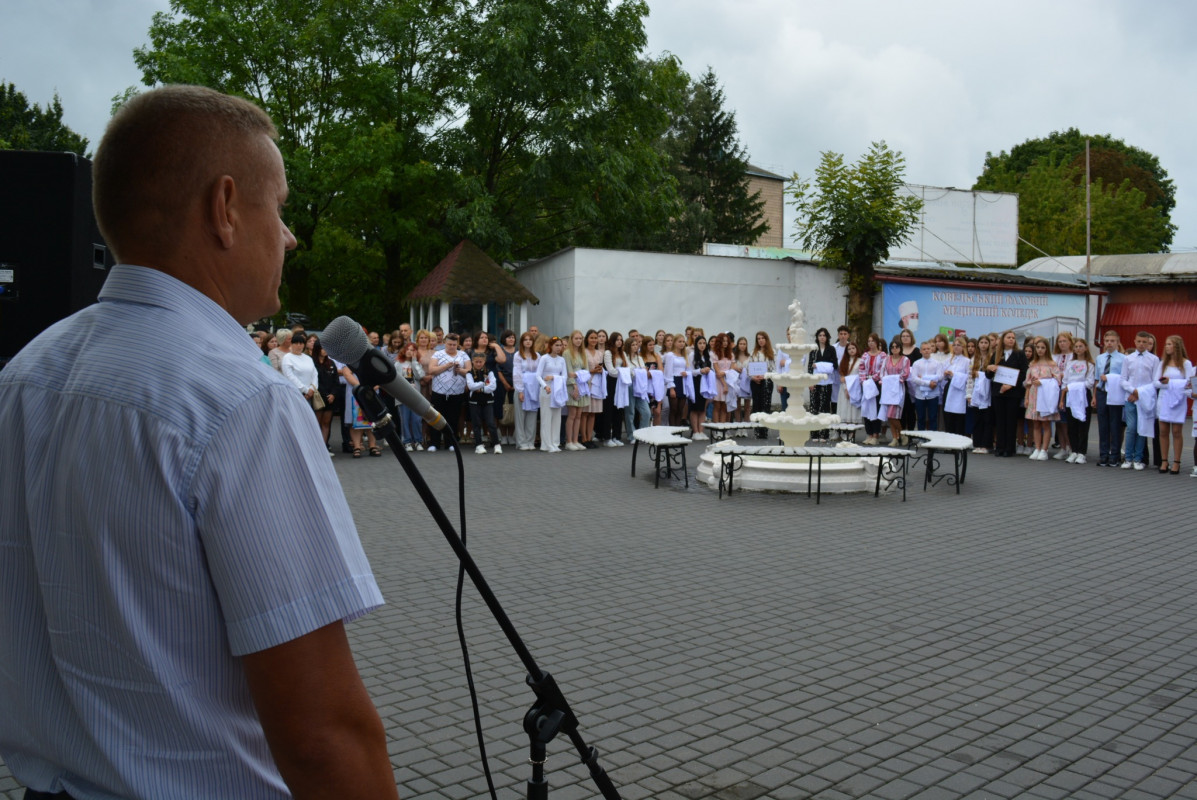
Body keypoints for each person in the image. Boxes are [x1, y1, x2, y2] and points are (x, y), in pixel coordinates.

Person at [0, 85, 396, 799]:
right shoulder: (240, 398)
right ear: (223, 209)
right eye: (276, 207)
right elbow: (320, 734)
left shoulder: (23, 376)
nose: (289, 235)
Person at [1120, 331, 1161, 471]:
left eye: (1145, 342)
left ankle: (1138, 458)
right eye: (1139, 341)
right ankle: (1128, 458)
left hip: (1145, 399)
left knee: (1142, 428)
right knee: (1131, 428)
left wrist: (1139, 393)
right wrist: (1133, 391)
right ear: (1135, 341)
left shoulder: (1154, 359)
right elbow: (1123, 380)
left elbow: (1155, 381)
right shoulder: (1128, 359)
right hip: (1130, 398)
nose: (1142, 344)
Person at [987, 330, 1028, 457]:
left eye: (1013, 338)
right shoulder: (997, 354)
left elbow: (1023, 373)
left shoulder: (1019, 354)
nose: (1011, 339)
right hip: (998, 392)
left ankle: (1009, 448)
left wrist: (1011, 385)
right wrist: (989, 368)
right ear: (1003, 339)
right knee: (1000, 420)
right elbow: (989, 375)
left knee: (1011, 420)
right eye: (1008, 337)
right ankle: (1000, 447)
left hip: (1013, 392)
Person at [1155, 335, 1192, 474]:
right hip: (1164, 398)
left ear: (1177, 346)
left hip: (1178, 400)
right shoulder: (1163, 363)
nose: (1166, 347)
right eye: (1166, 344)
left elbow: (1188, 384)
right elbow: (1156, 382)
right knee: (1163, 431)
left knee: (1176, 432)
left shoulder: (1186, 363)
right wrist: (1166, 383)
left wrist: (1170, 382)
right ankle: (1164, 461)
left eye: (1169, 344)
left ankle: (1177, 461)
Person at [427, 332, 470, 452]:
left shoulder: (463, 355)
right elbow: (431, 370)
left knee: (453, 418)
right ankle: (434, 443)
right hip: (439, 392)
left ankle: (450, 442)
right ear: (445, 343)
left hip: (457, 392)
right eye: (450, 344)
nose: (452, 347)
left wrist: (459, 369)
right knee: (436, 417)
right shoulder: (438, 354)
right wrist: (446, 366)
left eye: (454, 344)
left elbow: (469, 371)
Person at [1023, 337, 1061, 461]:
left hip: (1046, 396)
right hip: (1034, 395)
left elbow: (1058, 381)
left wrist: (1043, 382)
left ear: (1047, 349)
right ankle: (1037, 448)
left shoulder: (1052, 364)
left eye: (1042, 348)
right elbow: (1027, 381)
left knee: (1045, 423)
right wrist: (1027, 396)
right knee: (1035, 423)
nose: (1040, 350)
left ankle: (1045, 449)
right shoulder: (1032, 364)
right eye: (1038, 348)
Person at [1060, 336, 1096, 465]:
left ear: (1086, 348)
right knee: (1071, 425)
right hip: (1070, 396)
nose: (1078, 348)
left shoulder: (1090, 364)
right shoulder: (1070, 364)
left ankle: (1082, 452)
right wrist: (1062, 399)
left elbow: (1089, 382)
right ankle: (1074, 450)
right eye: (1076, 347)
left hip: (1083, 395)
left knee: (1083, 425)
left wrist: (1074, 386)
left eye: (1081, 346)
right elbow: (1065, 382)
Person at [1094, 330, 1126, 467]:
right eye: (1107, 341)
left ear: (1118, 342)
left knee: (1115, 425)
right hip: (1102, 392)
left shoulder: (1123, 359)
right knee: (1103, 425)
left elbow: (1124, 378)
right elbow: (1096, 379)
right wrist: (1094, 396)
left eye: (1112, 341)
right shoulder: (1100, 358)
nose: (1109, 343)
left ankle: (1115, 455)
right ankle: (1103, 454)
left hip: (1116, 393)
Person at [466, 351, 502, 454]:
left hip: (488, 400)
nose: (478, 364)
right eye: (476, 362)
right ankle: (479, 445)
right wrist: (483, 383)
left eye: (480, 362)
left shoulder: (489, 372)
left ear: (484, 361)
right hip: (474, 401)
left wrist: (481, 389)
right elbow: (471, 386)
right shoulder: (469, 373)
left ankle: (496, 444)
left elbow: (493, 387)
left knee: (491, 423)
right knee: (476, 423)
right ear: (472, 361)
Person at [536, 336, 568, 453]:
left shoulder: (562, 360)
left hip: (557, 390)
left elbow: (565, 376)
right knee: (546, 417)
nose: (559, 347)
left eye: (560, 345)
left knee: (557, 418)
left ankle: (555, 443)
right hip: (547, 390)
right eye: (556, 345)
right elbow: (538, 375)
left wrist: (554, 377)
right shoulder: (544, 358)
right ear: (551, 346)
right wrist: (545, 385)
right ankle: (546, 444)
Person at [512, 330, 541, 451]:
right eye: (525, 340)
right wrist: (520, 390)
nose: (528, 342)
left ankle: (530, 441)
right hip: (522, 386)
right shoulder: (518, 355)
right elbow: (517, 373)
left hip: (534, 387)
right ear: (522, 342)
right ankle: (521, 442)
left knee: (532, 414)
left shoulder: (538, 355)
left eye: (530, 340)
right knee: (520, 415)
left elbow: (539, 372)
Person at [807, 327, 837, 440]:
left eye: (824, 335)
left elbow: (834, 365)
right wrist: (810, 381)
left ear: (827, 337)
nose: (822, 337)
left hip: (827, 382)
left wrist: (819, 365)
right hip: (815, 382)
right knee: (814, 407)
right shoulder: (813, 350)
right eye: (820, 335)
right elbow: (810, 366)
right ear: (817, 337)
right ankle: (814, 433)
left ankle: (824, 434)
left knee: (824, 407)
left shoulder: (831, 349)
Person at [748, 331, 776, 440]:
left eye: (762, 338)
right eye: (758, 338)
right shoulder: (753, 353)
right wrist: (753, 377)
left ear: (766, 339)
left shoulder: (772, 352)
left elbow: (775, 368)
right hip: (755, 381)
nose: (760, 340)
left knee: (765, 404)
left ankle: (764, 430)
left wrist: (765, 376)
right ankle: (757, 430)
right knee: (756, 404)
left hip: (767, 381)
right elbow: (748, 369)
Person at [689, 334, 713, 439]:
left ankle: (701, 430)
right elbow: (690, 371)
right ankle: (695, 431)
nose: (702, 345)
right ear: (696, 344)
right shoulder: (692, 355)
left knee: (703, 407)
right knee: (695, 408)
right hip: (695, 382)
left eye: (704, 343)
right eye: (700, 343)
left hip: (705, 382)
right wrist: (700, 371)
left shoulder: (708, 356)